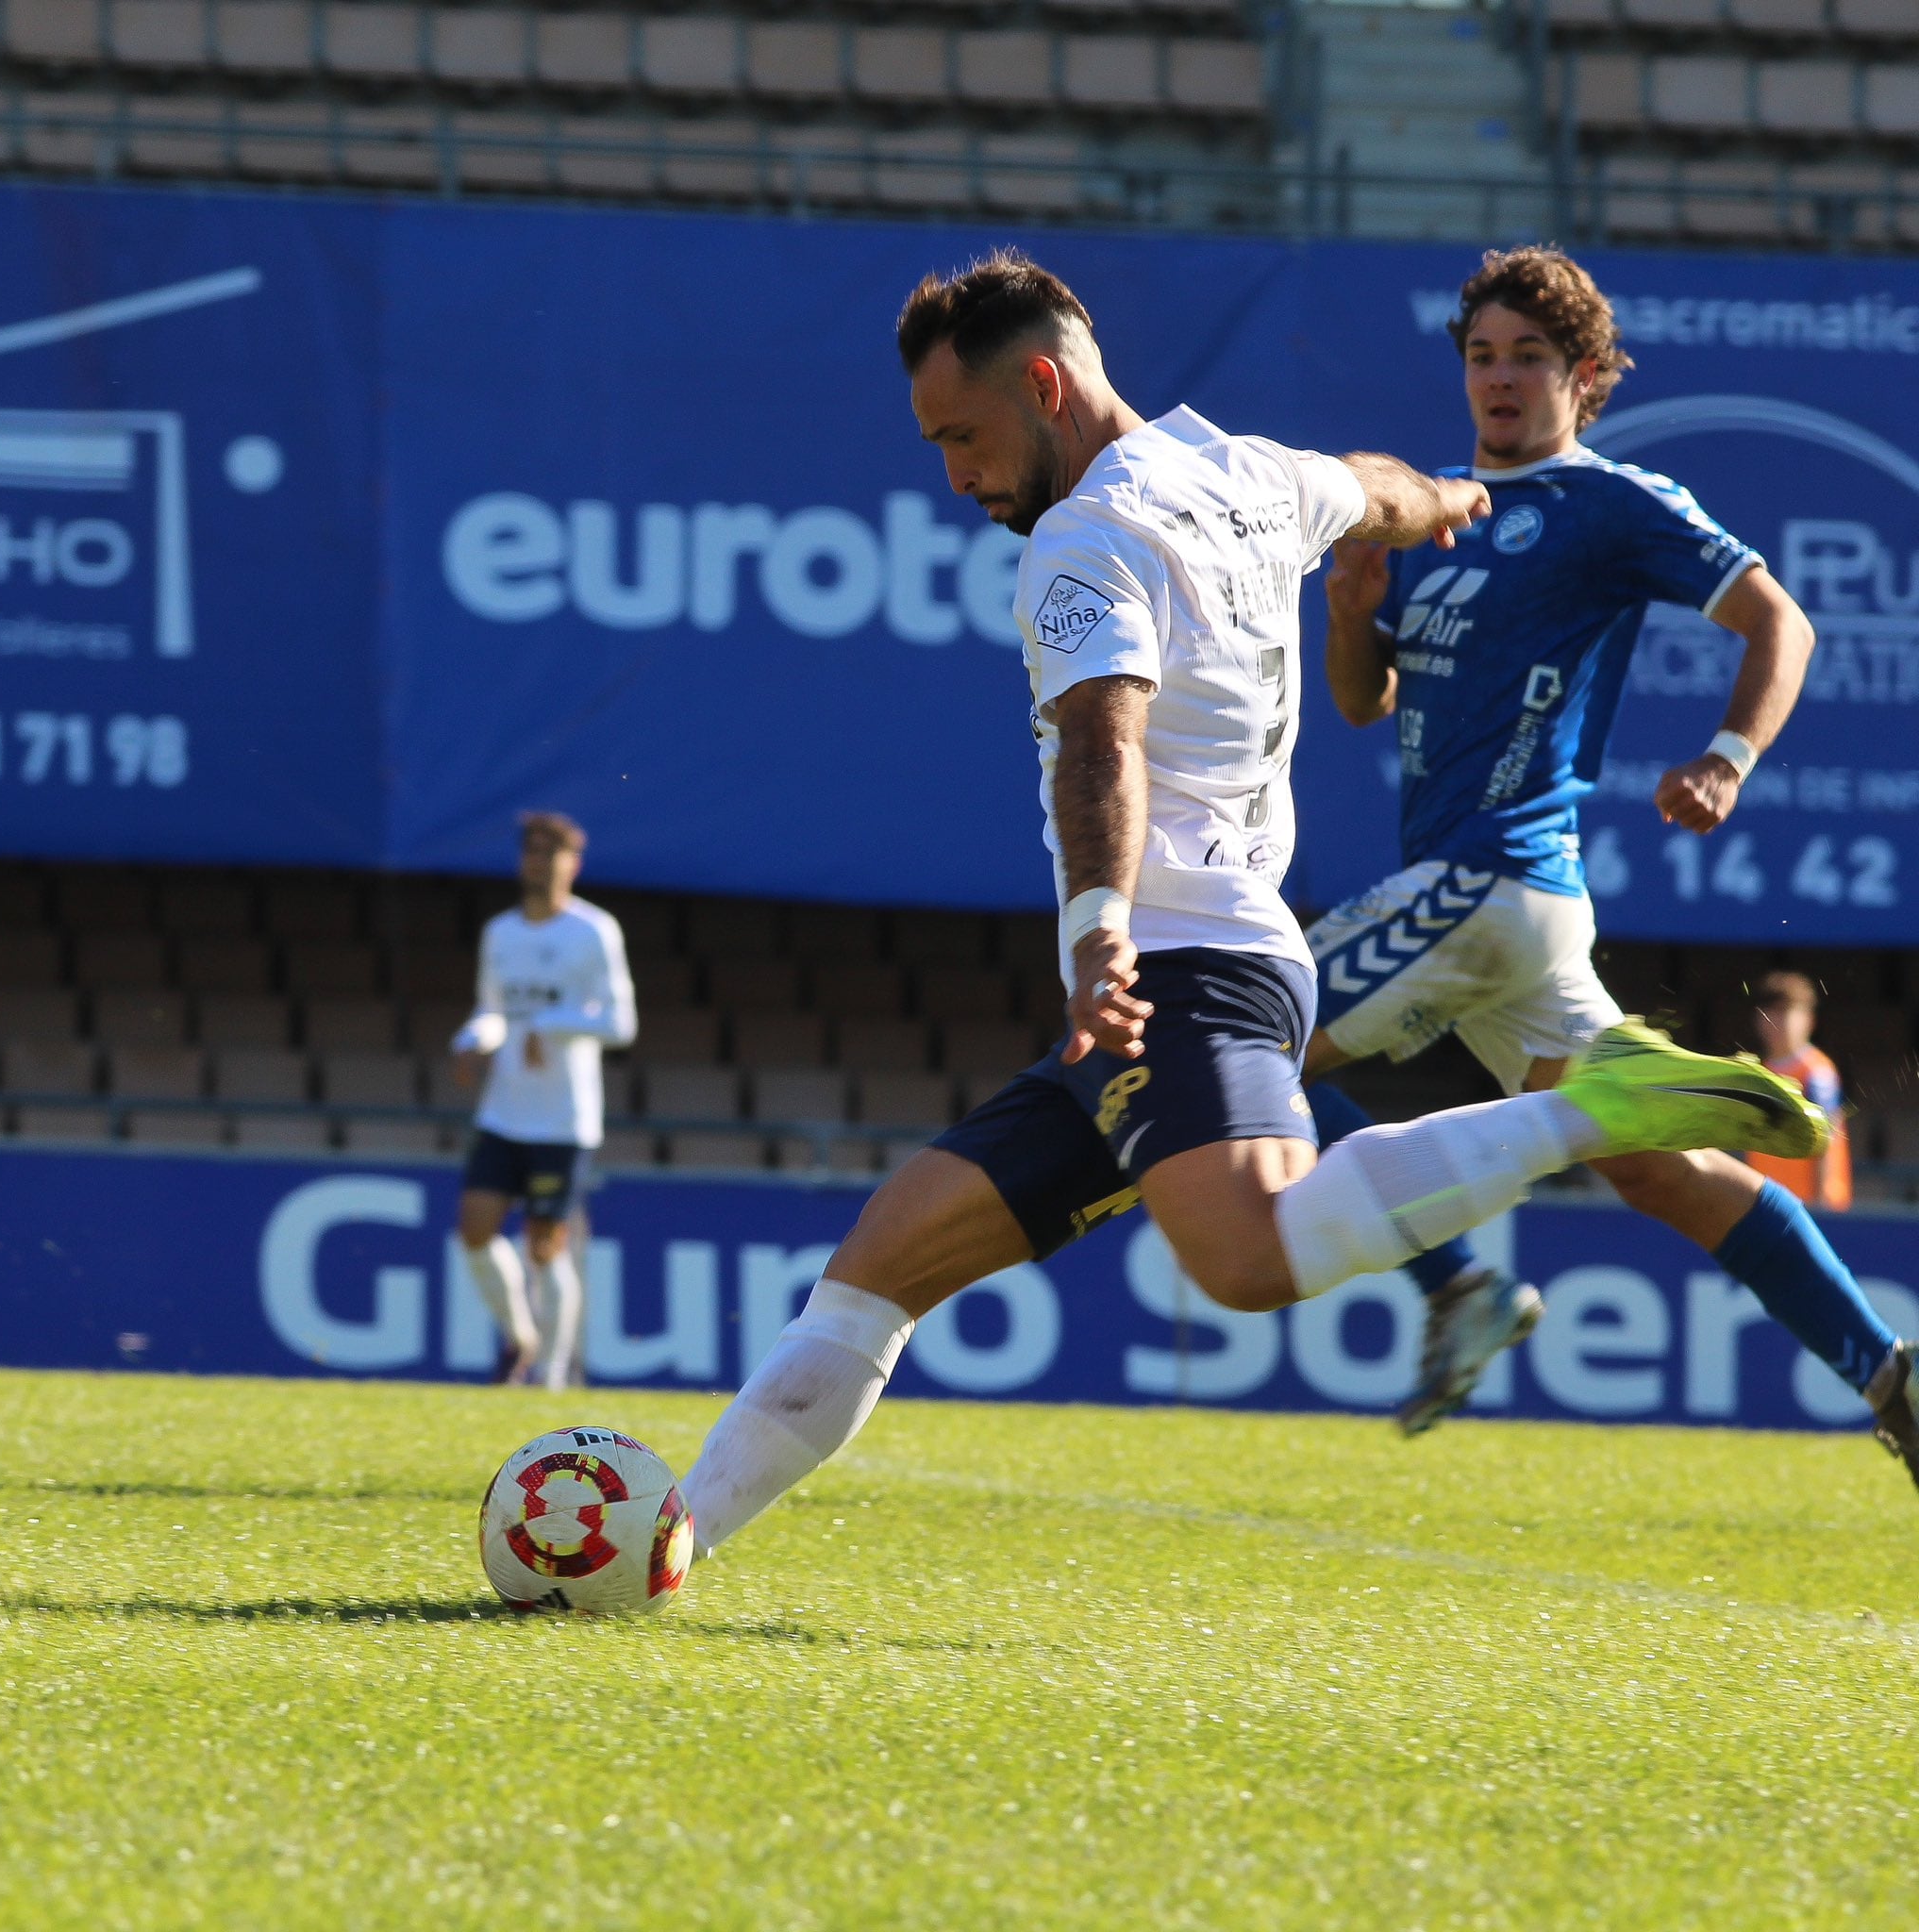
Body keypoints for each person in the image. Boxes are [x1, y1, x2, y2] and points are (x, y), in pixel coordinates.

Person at [676, 249, 1826, 1562]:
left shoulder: (1084, 538)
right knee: (879, 1264)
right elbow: (1380, 492)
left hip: (1182, 965)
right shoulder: (1241, 470)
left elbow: (1102, 740)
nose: (956, 475)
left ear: (1044, 384)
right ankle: (669, 1542)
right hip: (1200, 970)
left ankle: (1588, 1110)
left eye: (964, 436)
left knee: (1248, 1256)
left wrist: (1095, 922)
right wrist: (1449, 498)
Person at [1304, 244, 1914, 1478]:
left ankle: (1459, 1281)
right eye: (1483, 355)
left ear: (1586, 375)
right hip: (1503, 915)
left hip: (1490, 877)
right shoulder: (1439, 512)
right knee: (1652, 1167)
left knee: (1243, 1035)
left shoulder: (1609, 504)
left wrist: (1732, 755)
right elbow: (1364, 703)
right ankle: (1888, 1369)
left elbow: (1777, 617)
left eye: (1531, 356)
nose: (1502, 378)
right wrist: (1350, 610)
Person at [452, 811, 636, 1391]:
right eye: (530, 851)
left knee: (545, 1244)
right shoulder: (501, 933)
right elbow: (493, 1011)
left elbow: (619, 1023)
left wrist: (548, 1027)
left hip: (563, 1119)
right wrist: (472, 1040)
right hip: (505, 1110)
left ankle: (553, 1376)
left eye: (550, 852)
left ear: (572, 864)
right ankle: (520, 1336)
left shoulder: (593, 931)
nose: (538, 862)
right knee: (476, 1229)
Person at [1748, 971, 1852, 1212]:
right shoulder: (1759, 1073)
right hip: (1769, 1206)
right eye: (1772, 1013)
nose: (1779, 1022)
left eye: (1788, 1013)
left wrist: (1821, 1206)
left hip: (1811, 1209)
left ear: (1809, 1020)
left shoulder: (1816, 1072)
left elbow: (1826, 1141)